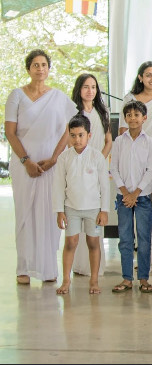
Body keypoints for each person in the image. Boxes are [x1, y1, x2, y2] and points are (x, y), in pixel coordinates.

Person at [6, 49, 77, 285]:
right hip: (24, 163)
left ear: (49, 68)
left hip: (50, 164)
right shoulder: (16, 95)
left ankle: (48, 268)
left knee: (50, 213)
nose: (40, 68)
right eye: (35, 65)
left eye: (44, 64)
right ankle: (24, 268)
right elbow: (10, 132)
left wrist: (55, 158)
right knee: (24, 213)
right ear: (28, 69)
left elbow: (69, 130)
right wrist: (26, 161)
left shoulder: (58, 97)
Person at [119, 61, 152, 272]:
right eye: (148, 75)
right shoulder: (130, 99)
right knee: (139, 204)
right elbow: (123, 131)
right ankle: (142, 258)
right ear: (140, 77)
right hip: (135, 158)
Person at [53, 114, 110, 295]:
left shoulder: (97, 157)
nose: (77, 139)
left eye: (80, 135)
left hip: (93, 209)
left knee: (93, 243)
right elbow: (59, 186)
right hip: (71, 208)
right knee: (71, 242)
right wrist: (59, 211)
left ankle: (94, 281)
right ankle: (66, 280)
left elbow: (105, 186)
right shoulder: (64, 158)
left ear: (89, 135)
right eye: (73, 135)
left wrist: (104, 210)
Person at [110, 100, 152, 294]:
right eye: (128, 115)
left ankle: (144, 278)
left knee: (144, 239)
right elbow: (113, 168)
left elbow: (151, 169)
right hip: (123, 198)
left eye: (136, 115)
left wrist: (136, 193)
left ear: (144, 118)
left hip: (143, 197)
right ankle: (127, 278)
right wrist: (125, 193)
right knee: (125, 238)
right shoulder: (119, 141)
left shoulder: (150, 142)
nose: (132, 118)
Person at [69, 73, 112, 277]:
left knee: (95, 213)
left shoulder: (102, 111)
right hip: (77, 166)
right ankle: (79, 265)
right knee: (77, 211)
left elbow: (108, 141)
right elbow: (69, 140)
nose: (90, 91)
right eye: (86, 87)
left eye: (93, 87)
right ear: (79, 89)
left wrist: (99, 162)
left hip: (97, 165)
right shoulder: (73, 112)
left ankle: (94, 267)